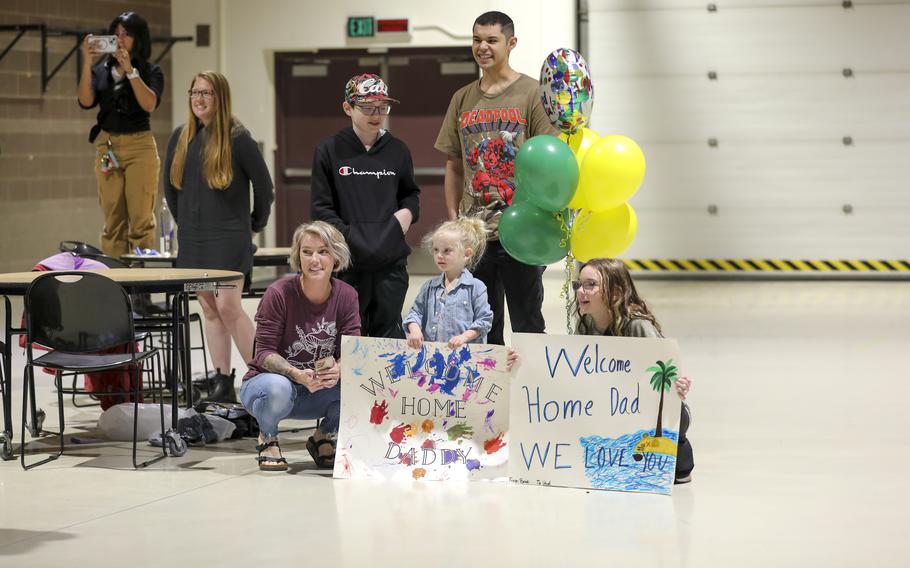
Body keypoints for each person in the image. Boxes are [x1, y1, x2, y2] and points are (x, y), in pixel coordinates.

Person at [434, 11, 557, 345]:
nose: (482, 47)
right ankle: (490, 397)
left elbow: (549, 162)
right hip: (475, 236)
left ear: (511, 43)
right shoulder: (461, 99)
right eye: (477, 40)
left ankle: (532, 395)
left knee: (529, 325)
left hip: (521, 232)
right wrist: (453, 221)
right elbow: (454, 164)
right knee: (480, 328)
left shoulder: (533, 94)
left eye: (491, 40)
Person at [164, 71, 274, 402]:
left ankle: (265, 378)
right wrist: (185, 224)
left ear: (220, 97)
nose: (199, 99)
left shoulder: (238, 138)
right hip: (195, 240)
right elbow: (170, 189)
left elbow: (264, 187)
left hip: (229, 239)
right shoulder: (180, 136)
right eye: (194, 92)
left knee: (228, 307)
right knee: (208, 308)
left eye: (207, 93)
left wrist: (256, 222)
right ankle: (223, 382)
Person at [240, 221, 360, 471]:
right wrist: (296, 374)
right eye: (307, 252)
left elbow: (352, 349)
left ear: (336, 256)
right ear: (298, 257)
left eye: (323, 251)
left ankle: (323, 436)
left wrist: (339, 368)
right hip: (268, 388)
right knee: (278, 386)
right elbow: (263, 354)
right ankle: (268, 437)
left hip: (316, 391)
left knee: (359, 382)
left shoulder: (347, 295)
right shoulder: (279, 293)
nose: (314, 260)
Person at [311, 73, 420, 339]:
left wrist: (401, 221)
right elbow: (322, 210)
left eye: (383, 107)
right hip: (348, 265)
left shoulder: (398, 150)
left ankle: (386, 383)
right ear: (348, 108)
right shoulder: (329, 150)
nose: (377, 113)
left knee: (388, 337)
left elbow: (410, 196)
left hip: (390, 264)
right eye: (368, 107)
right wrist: (353, 240)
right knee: (348, 337)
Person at [573, 258, 695, 483]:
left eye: (591, 285)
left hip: (644, 409)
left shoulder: (638, 326)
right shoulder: (585, 325)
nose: (581, 291)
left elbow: (665, 371)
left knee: (674, 466)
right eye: (579, 285)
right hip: (610, 408)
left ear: (616, 292)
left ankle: (679, 448)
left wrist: (679, 385)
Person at [78, 11, 164, 259]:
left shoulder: (151, 70)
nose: (120, 39)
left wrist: (130, 71)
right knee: (113, 220)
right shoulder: (101, 70)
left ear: (139, 38)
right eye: (115, 34)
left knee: (140, 220)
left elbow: (149, 104)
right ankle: (115, 285)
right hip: (108, 145)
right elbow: (85, 100)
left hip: (140, 146)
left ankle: (140, 288)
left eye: (126, 34)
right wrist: (86, 61)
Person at [404, 217, 493, 350]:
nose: (439, 255)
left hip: (465, 357)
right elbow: (414, 313)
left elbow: (484, 320)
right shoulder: (429, 287)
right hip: (434, 356)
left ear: (467, 254)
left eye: (447, 251)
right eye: (435, 250)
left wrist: (464, 337)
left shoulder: (476, 287)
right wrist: (415, 330)